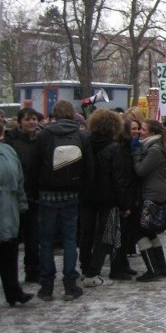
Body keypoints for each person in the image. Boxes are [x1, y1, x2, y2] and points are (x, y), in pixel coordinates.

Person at [35, 100, 94, 301]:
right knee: (70, 240)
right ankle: (70, 284)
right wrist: (84, 191)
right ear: (72, 114)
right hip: (72, 194)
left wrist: (35, 191)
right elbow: (89, 169)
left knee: (46, 241)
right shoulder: (81, 135)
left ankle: (46, 286)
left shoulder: (44, 135)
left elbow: (34, 166)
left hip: (46, 193)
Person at [80, 108, 128, 287]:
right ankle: (93, 271)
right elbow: (118, 178)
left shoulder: (84, 143)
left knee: (86, 232)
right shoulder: (115, 148)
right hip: (107, 197)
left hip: (87, 195)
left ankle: (85, 267)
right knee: (104, 235)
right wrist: (124, 203)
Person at [132, 119, 166, 281]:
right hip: (158, 192)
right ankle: (161, 268)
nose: (139, 132)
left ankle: (152, 268)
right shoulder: (157, 146)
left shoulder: (155, 150)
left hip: (152, 193)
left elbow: (141, 170)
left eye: (143, 129)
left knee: (139, 231)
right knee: (149, 231)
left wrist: (136, 153)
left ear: (151, 133)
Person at [4, 107, 41, 283]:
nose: (32, 122)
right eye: (28, 119)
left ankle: (33, 271)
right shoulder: (11, 141)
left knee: (33, 237)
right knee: (12, 239)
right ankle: (10, 277)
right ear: (20, 122)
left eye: (34, 119)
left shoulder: (40, 140)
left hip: (34, 195)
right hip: (15, 196)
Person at [0, 123, 33, 307]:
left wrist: (22, 204)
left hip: (9, 208)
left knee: (9, 252)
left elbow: (19, 180)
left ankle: (13, 291)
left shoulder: (9, 151)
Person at [109, 119, 140, 280]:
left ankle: (123, 264)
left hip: (131, 197)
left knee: (126, 235)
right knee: (119, 237)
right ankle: (116, 268)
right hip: (123, 199)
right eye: (133, 129)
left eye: (138, 128)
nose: (137, 131)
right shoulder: (121, 150)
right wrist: (125, 204)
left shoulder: (131, 147)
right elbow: (120, 178)